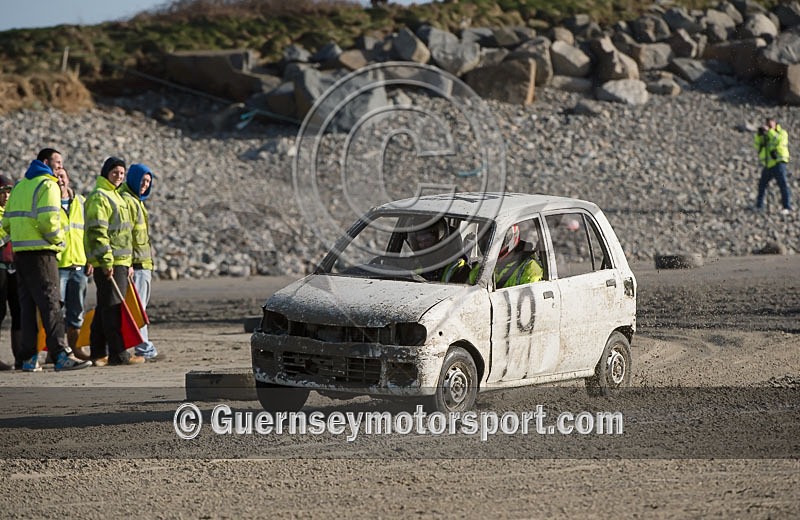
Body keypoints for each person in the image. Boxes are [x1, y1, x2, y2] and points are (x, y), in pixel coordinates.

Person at [1, 148, 91, 371]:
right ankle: (60, 355)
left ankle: (29, 359)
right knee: (51, 305)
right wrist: (59, 241)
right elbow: (49, 220)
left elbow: (7, 223)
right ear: (45, 162)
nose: (60, 167)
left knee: (27, 307)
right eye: (57, 162)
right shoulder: (48, 184)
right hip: (42, 254)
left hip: (21, 255)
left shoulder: (21, 185)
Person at [84, 156, 144, 366]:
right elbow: (98, 232)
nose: (118, 176)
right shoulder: (100, 196)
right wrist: (107, 262)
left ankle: (97, 352)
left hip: (121, 262)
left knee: (104, 307)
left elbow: (123, 234)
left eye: (121, 173)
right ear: (106, 173)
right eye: (115, 172)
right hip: (109, 262)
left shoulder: (116, 195)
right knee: (112, 309)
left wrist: (127, 263)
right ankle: (119, 354)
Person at [118, 163, 159, 361]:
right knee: (137, 309)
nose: (145, 185)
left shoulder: (136, 200)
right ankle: (143, 347)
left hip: (143, 263)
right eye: (142, 180)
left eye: (148, 182)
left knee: (138, 307)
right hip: (137, 264)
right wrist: (130, 263)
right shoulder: (128, 200)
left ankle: (141, 345)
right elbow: (126, 235)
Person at [55, 168, 92, 360]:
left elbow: (87, 233)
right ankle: (56, 350)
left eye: (62, 176)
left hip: (79, 264)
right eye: (56, 176)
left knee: (77, 310)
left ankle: (76, 348)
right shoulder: (49, 202)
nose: (59, 179)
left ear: (68, 178)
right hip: (59, 265)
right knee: (56, 311)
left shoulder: (80, 202)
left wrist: (90, 258)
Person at [0, 175, 21, 370]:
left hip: (16, 267)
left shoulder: (13, 212)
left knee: (19, 312)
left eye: (9, 191)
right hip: (1, 268)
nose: (6, 196)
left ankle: (20, 357)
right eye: (2, 192)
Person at [753, 117, 792, 214]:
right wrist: (759, 135)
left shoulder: (782, 133)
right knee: (762, 185)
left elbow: (777, 140)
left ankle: (787, 207)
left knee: (782, 184)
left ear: (775, 124)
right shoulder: (765, 136)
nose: (769, 127)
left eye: (771, 125)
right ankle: (759, 206)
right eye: (767, 125)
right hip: (768, 164)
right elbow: (757, 145)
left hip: (779, 163)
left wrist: (769, 131)